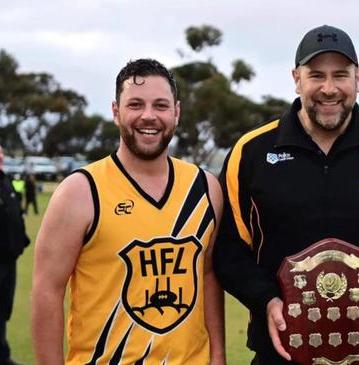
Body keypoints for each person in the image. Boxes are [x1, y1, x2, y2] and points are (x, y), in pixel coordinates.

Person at [214, 25, 359, 365]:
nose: (329, 88)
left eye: (341, 75)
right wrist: (266, 300)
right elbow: (228, 247)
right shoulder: (250, 154)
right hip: (281, 353)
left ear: (358, 77)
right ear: (296, 78)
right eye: (316, 75)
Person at [31, 59, 226, 364]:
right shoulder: (80, 191)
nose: (148, 116)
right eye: (135, 104)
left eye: (160, 105)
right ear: (115, 111)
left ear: (176, 112)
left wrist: (218, 356)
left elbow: (209, 275)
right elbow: (47, 291)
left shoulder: (205, 188)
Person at [0, 139, 29, 365]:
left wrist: (20, 240)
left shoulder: (4, 180)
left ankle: (1, 357)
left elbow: (14, 212)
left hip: (9, 258)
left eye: (0, 152)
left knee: (1, 311)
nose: (0, 157)